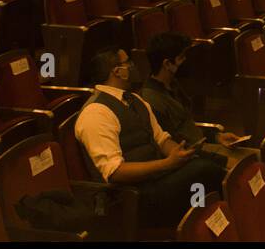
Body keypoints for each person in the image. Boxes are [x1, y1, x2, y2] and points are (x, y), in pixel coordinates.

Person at [74, 47, 225, 227]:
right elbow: (114, 172)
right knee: (204, 171)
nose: (133, 66)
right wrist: (167, 163)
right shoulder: (96, 113)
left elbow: (161, 139)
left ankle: (214, 226)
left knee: (205, 164)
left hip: (156, 180)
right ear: (118, 71)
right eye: (127, 62)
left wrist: (177, 154)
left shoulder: (136, 100)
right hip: (131, 196)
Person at [137, 33, 248, 161]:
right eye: (181, 57)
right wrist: (223, 161)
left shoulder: (171, 83)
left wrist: (217, 137)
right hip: (192, 157)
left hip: (202, 146)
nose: (185, 60)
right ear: (167, 64)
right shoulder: (151, 100)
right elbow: (176, 147)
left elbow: (188, 127)